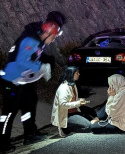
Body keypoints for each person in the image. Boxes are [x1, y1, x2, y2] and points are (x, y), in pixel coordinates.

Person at [0, 11, 66, 152]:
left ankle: (30, 134)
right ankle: (2, 143)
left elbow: (33, 58)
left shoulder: (38, 41)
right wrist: (40, 67)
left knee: (29, 104)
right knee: (9, 113)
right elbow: (22, 61)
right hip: (13, 80)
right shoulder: (30, 41)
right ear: (48, 33)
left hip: (22, 80)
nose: (53, 40)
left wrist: (45, 63)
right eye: (53, 37)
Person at [51, 66, 97, 137]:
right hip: (67, 115)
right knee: (89, 126)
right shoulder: (64, 87)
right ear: (71, 74)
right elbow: (63, 104)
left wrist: (79, 100)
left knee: (92, 115)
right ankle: (66, 129)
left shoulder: (73, 85)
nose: (79, 74)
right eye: (76, 73)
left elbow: (71, 100)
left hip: (74, 112)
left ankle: (82, 124)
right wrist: (78, 103)